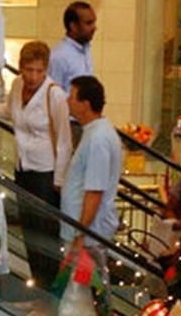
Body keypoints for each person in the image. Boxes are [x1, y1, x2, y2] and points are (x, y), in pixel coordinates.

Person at [2, 40, 72, 293]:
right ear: (20, 68)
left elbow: (64, 140)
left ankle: (52, 294)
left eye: (39, 71)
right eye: (29, 69)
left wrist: (60, 180)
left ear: (46, 69)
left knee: (46, 236)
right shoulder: (18, 85)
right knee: (29, 233)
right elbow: (10, 112)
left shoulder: (54, 94)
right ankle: (39, 291)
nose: (33, 76)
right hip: (22, 168)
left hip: (46, 173)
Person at [61, 75, 122, 313]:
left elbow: (94, 191)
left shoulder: (98, 139)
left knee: (82, 294)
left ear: (85, 104)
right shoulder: (94, 132)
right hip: (84, 232)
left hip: (88, 234)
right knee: (79, 289)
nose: (68, 101)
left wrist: (80, 234)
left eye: (72, 97)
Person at [48, 1, 97, 93]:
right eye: (89, 23)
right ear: (73, 26)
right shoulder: (59, 56)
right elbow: (53, 97)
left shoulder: (86, 50)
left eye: (94, 22)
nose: (94, 28)